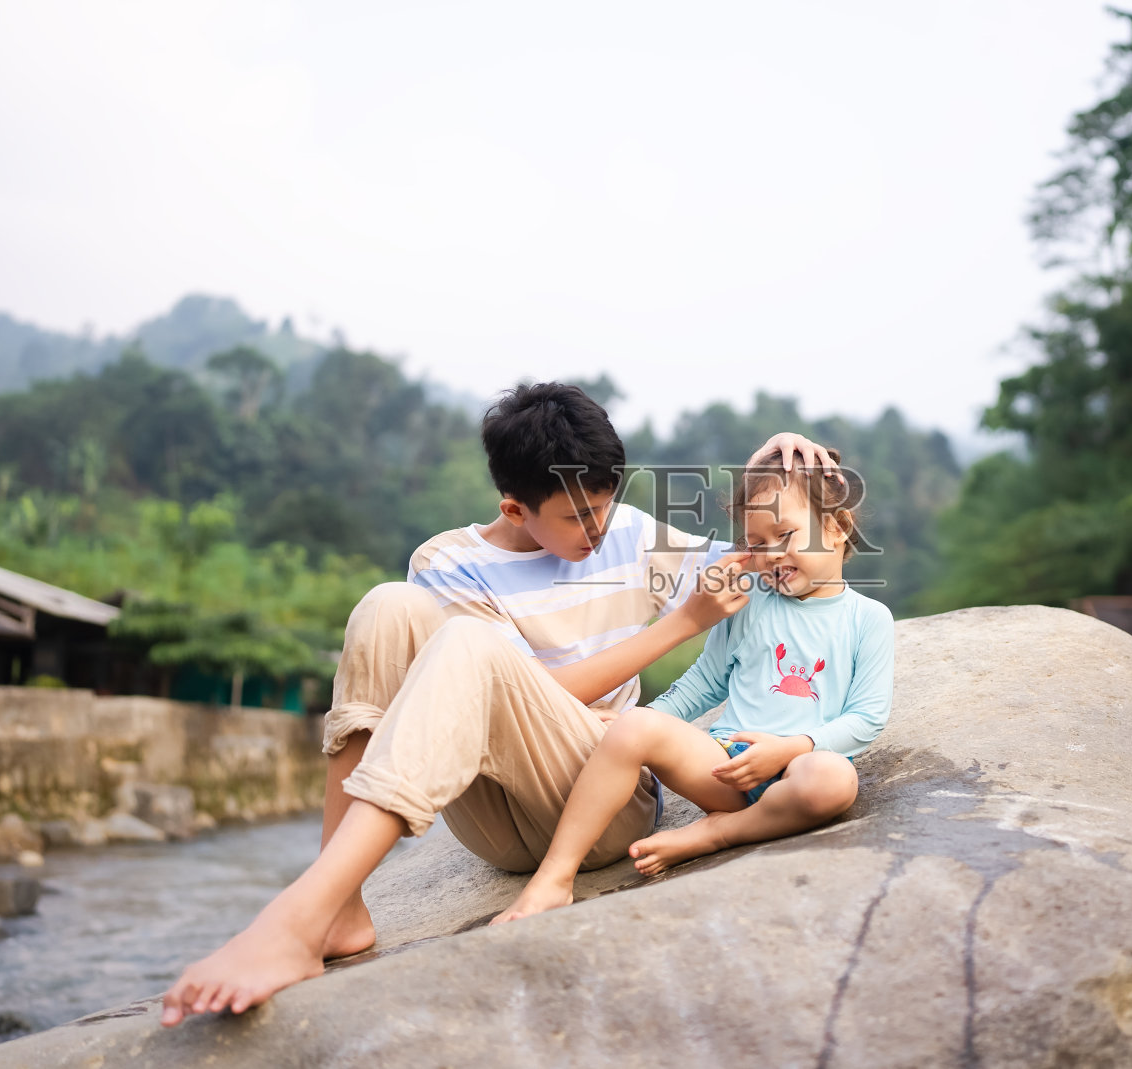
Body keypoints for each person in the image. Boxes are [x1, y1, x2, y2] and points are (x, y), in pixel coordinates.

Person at [160, 382, 840, 1025]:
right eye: (576, 515)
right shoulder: (448, 562)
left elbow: (765, 555)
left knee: (467, 645)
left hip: (600, 801)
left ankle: (294, 920)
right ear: (515, 507)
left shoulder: (633, 537)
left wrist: (770, 463)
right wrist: (675, 627)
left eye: (605, 502)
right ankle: (335, 907)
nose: (598, 527)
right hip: (494, 814)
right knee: (388, 609)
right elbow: (488, 688)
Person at [493, 446, 894, 923]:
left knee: (834, 781)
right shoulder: (752, 601)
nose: (770, 555)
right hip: (725, 767)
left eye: (785, 535)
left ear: (838, 527)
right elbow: (705, 682)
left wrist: (791, 749)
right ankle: (555, 876)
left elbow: (866, 719)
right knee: (634, 725)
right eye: (756, 542)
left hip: (800, 772)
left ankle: (717, 835)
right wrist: (636, 724)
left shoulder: (868, 619)